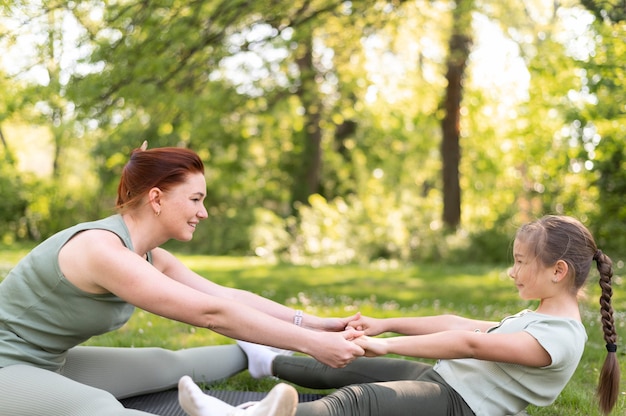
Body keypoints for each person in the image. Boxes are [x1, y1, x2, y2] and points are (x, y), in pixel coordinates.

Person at [0, 143, 364, 416]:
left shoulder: (148, 254)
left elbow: (227, 296)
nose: (202, 212)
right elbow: (211, 314)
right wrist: (311, 345)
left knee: (165, 363)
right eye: (195, 199)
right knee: (97, 407)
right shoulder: (101, 250)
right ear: (156, 198)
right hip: (6, 367)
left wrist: (317, 326)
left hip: (50, 360)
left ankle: (258, 355)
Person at [181, 215, 620, 416]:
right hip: (447, 381)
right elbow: (456, 324)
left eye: (522, 262)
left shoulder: (561, 338)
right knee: (350, 364)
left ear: (557, 271)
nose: (513, 271)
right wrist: (383, 324)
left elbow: (470, 344)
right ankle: (267, 360)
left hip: (460, 405)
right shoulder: (541, 318)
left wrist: (385, 342)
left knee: (357, 403)